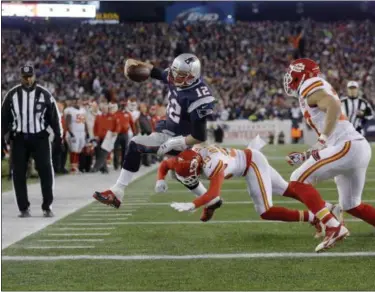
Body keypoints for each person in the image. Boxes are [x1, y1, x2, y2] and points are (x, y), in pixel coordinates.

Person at [162, 144, 344, 252]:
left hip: (251, 164)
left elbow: (214, 194)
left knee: (265, 211)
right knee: (287, 189)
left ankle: (316, 218)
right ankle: (328, 208)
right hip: (251, 159)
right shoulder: (184, 158)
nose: (193, 180)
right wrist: (159, 180)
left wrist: (193, 204)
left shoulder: (213, 163)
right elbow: (165, 164)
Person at [93, 53, 216, 208]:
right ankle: (210, 200)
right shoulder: (175, 77)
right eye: (174, 71)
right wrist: (134, 63)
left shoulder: (199, 97)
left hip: (179, 138)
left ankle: (117, 191)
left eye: (180, 75)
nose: (173, 77)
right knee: (181, 173)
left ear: (191, 77)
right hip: (167, 128)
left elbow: (199, 135)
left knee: (135, 144)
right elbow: (154, 71)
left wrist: (174, 142)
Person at [283, 58, 375, 239]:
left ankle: (333, 226)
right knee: (351, 204)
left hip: (347, 146)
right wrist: (307, 155)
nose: (288, 78)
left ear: (301, 74)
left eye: (291, 74)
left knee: (297, 180)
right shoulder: (313, 88)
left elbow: (333, 104)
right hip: (353, 146)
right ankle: (331, 215)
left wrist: (322, 139)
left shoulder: (310, 85)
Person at [1, 65, 62, 217]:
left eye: (30, 76)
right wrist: (2, 138)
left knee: (46, 171)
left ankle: (47, 206)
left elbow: (54, 118)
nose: (27, 79)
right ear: (20, 77)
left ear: (34, 76)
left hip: (40, 137)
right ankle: (23, 207)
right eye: (24, 77)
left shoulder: (45, 94)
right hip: (19, 138)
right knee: (19, 174)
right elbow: (3, 119)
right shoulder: (12, 95)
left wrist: (58, 137)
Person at [64, 97, 89, 174]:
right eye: (76, 101)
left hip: (82, 132)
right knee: (74, 150)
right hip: (74, 132)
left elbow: (84, 122)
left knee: (79, 150)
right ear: (73, 102)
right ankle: (73, 168)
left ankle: (76, 167)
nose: (77, 103)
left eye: (79, 101)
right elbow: (67, 122)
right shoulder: (70, 111)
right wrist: (70, 132)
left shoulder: (83, 110)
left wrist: (87, 132)